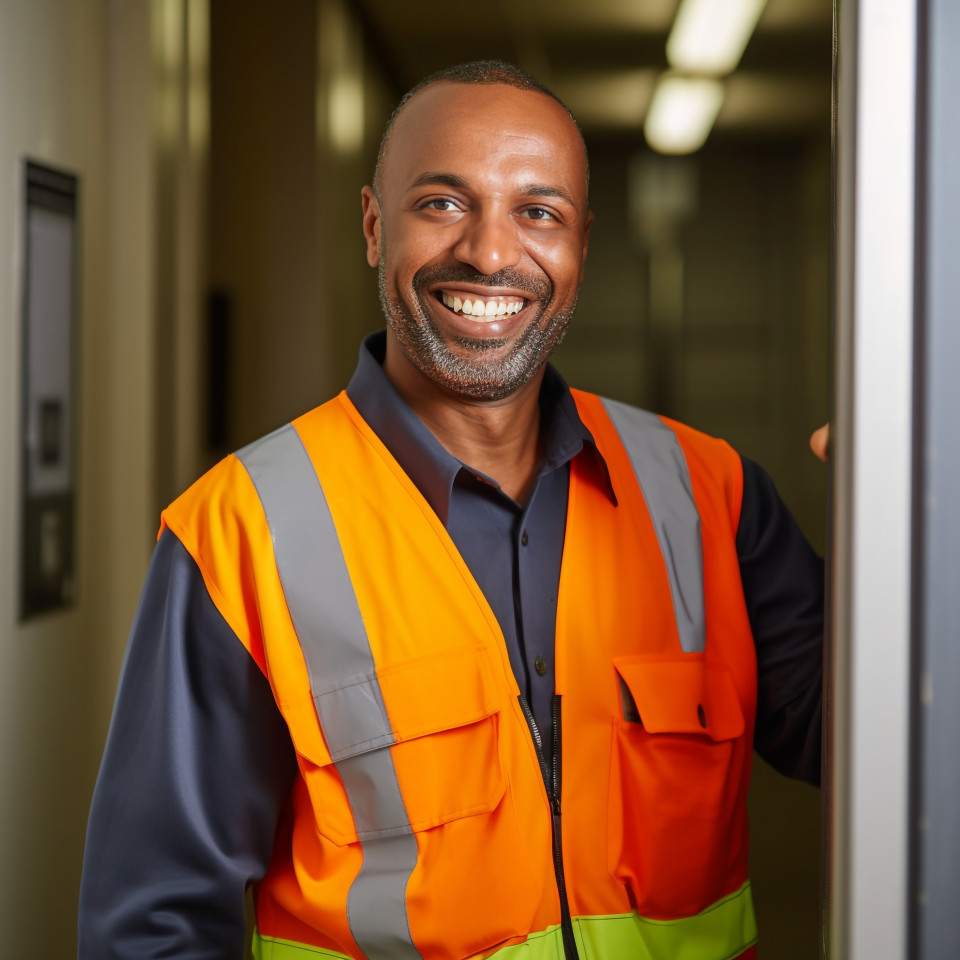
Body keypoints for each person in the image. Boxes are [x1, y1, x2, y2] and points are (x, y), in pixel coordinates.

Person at [78, 61, 823, 960]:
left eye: (538, 212)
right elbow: (155, 926)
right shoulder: (239, 531)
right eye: (443, 203)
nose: (492, 252)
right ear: (372, 225)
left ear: (581, 245)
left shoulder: (714, 498)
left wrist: (922, 529)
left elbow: (884, 744)